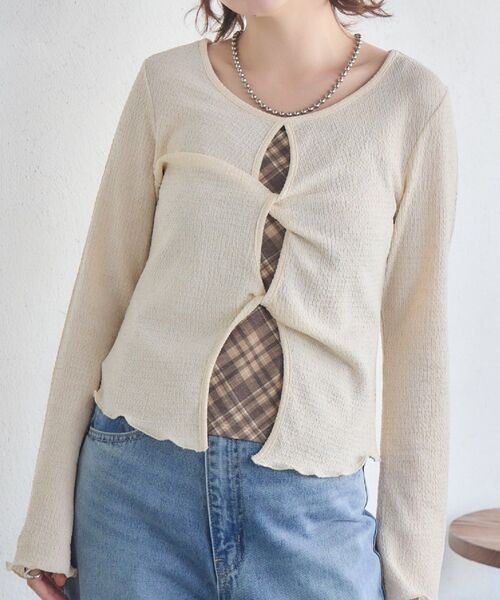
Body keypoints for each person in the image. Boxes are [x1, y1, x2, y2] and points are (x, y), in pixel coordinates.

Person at [6, 1, 458, 599]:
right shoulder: (167, 84)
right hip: (134, 497)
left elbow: (418, 348)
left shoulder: (412, 106)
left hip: (309, 513)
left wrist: (412, 580)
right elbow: (100, 295)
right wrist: (46, 521)